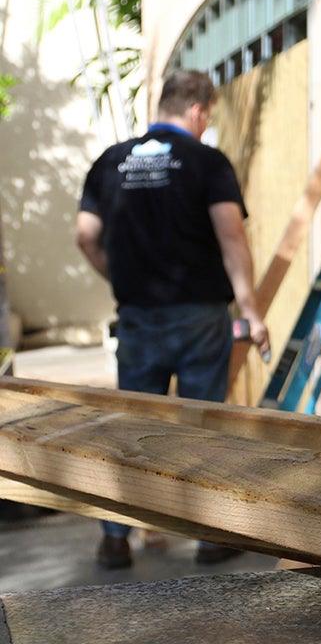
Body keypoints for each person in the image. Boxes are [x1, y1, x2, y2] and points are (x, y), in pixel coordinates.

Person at [75, 70, 271, 568]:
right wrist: (250, 311)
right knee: (204, 424)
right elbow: (231, 238)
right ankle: (210, 537)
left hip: (139, 318)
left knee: (132, 427)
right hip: (200, 316)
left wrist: (122, 281)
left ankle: (115, 538)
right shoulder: (206, 162)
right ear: (198, 111)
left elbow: (85, 236)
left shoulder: (111, 162)